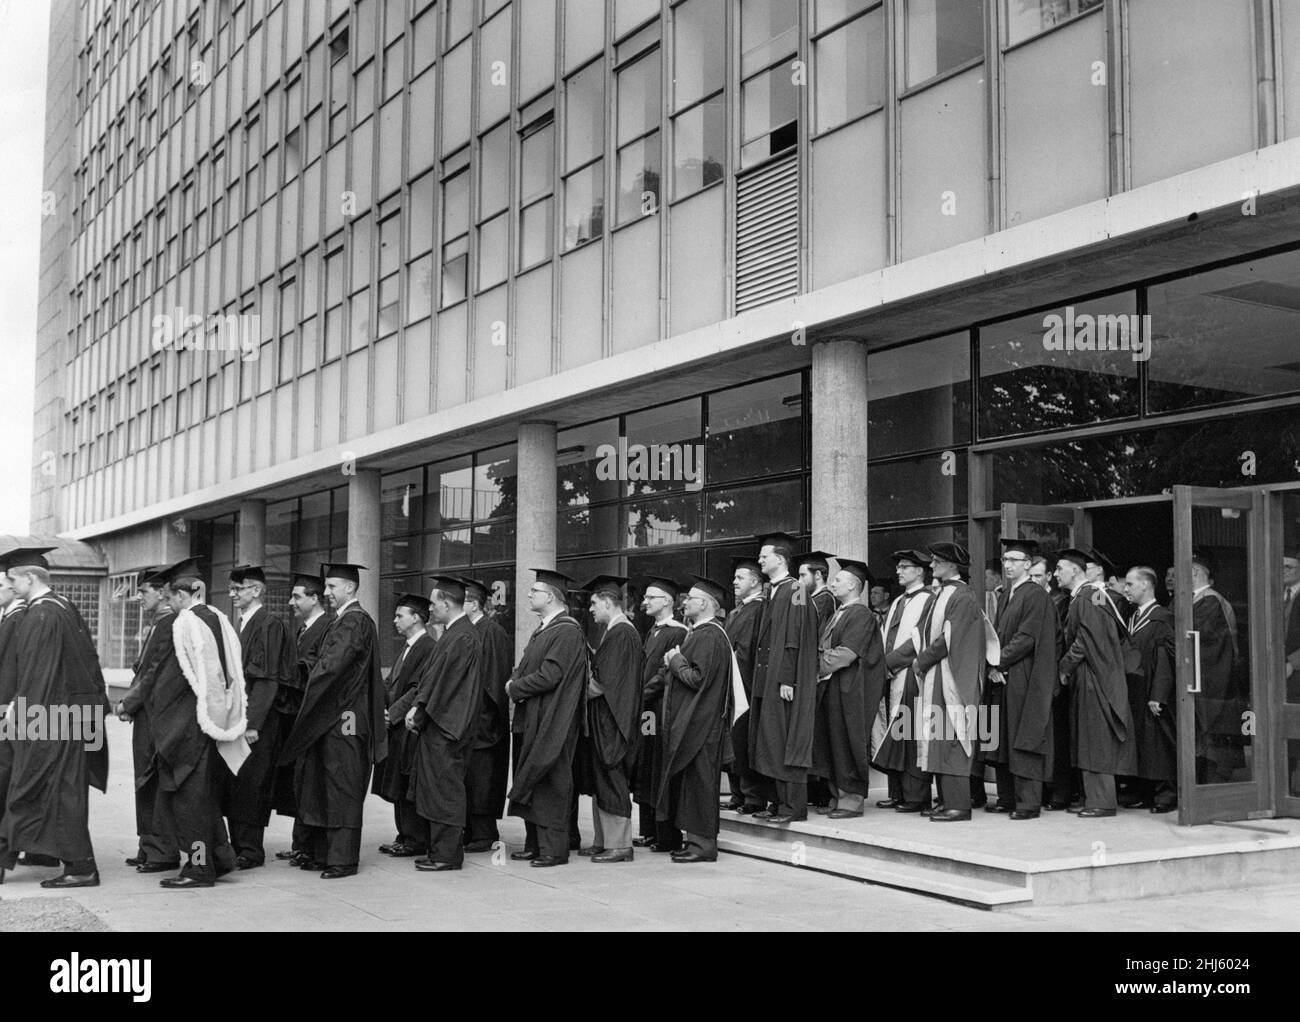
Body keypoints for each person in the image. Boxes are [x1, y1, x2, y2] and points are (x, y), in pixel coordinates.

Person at [0, 548, 111, 888]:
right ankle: (78, 864)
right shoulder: (62, 606)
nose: (10, 584)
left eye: (13, 578)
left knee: (29, 787)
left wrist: (26, 721)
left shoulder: (41, 616)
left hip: (52, 717)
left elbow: (38, 674)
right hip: (73, 715)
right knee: (65, 793)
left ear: (30, 578)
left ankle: (79, 867)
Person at [278, 563, 387, 879]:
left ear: (350, 589)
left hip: (344, 719)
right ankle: (324, 854)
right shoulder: (346, 621)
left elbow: (330, 669)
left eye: (332, 587)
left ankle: (342, 860)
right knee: (325, 784)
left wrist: (304, 691)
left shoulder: (354, 622)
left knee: (342, 787)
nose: (326, 593)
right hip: (335, 717)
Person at [148, 558, 249, 889]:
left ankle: (197, 869)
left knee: (189, 802)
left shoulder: (186, 624)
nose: (170, 602)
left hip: (189, 727)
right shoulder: (219, 618)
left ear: (184, 595)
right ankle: (219, 859)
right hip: (213, 721)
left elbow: (177, 682)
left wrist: (159, 720)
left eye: (172, 596)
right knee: (203, 799)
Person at [507, 569, 587, 868]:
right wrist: (516, 681)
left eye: (534, 591)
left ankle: (554, 849)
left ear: (550, 596)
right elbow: (526, 665)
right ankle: (536, 844)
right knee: (534, 782)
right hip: (534, 717)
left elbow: (551, 675)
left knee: (552, 783)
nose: (528, 595)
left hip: (554, 720)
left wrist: (515, 687)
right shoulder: (544, 629)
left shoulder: (567, 630)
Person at [406, 576, 482, 872]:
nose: (430, 608)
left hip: (448, 727)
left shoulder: (461, 636)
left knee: (445, 791)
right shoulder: (455, 633)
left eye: (433, 603)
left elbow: (445, 685)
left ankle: (447, 855)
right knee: (437, 789)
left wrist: (419, 712)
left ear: (448, 603)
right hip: (443, 725)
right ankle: (439, 850)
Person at [658, 576, 737, 863]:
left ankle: (703, 845)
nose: (685, 603)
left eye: (690, 598)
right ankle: (694, 841)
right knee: (693, 784)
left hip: (703, 726)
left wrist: (675, 660)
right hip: (697, 723)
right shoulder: (703, 633)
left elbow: (696, 678)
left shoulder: (709, 635)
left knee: (701, 785)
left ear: (704, 603)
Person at [1055, 548, 1136, 816]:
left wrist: (1064, 667)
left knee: (1095, 738)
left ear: (1075, 571)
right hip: (1093, 675)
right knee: (1089, 737)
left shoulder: (1089, 597)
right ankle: (1092, 797)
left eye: (1059, 569)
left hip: (1093, 677)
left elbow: (1086, 640)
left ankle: (1101, 801)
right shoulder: (1090, 596)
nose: (1056, 574)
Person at [222, 566, 293, 870]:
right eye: (232, 589)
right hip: (240, 719)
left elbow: (267, 679)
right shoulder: (241, 624)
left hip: (257, 723)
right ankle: (238, 845)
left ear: (257, 590)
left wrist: (252, 724)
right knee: (237, 782)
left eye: (239, 588)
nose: (233, 594)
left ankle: (250, 850)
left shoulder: (268, 624)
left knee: (252, 783)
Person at [911, 544, 986, 822]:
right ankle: (945, 800)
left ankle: (959, 805)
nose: (931, 567)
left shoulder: (962, 596)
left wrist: (923, 660)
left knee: (952, 737)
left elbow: (949, 638)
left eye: (936, 562)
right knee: (938, 738)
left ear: (952, 565)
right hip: (937, 674)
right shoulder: (943, 593)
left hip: (952, 676)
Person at [983, 539, 1058, 820]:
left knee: (1024, 736)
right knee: (1002, 736)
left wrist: (997, 662)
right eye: (1005, 560)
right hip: (1003, 676)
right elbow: (998, 635)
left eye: (1014, 560)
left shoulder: (1035, 595)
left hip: (1024, 676)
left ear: (1028, 564)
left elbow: (1026, 638)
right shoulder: (1006, 595)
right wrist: (994, 667)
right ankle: (1006, 797)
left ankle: (1027, 802)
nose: (1008, 565)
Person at [749, 532, 820, 825]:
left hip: (784, 678)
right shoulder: (772, 591)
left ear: (780, 559)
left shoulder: (797, 589)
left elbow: (797, 637)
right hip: (768, 677)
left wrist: (788, 678)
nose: (759, 560)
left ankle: (792, 807)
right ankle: (775, 802)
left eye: (764, 556)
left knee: (786, 738)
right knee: (769, 739)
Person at [115, 566, 179, 873]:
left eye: (144, 591)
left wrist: (128, 702)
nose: (139, 596)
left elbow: (153, 672)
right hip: (147, 712)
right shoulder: (158, 623)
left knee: (153, 780)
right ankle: (148, 845)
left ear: (163, 591)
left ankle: (162, 850)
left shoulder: (169, 624)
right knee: (144, 779)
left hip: (157, 715)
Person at [811, 557, 884, 819]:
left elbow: (847, 653)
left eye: (838, 579)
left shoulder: (860, 614)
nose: (833, 583)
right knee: (832, 743)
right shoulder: (839, 613)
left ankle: (851, 800)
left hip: (849, 690)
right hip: (833, 688)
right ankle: (837, 795)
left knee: (847, 742)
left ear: (853, 585)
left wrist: (813, 667)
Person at [580, 575, 643, 863]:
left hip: (613, 721)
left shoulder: (622, 633)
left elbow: (602, 683)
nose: (590, 609)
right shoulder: (615, 632)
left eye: (594, 603)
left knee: (612, 778)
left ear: (608, 602)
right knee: (602, 779)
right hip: (607, 719)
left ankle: (620, 844)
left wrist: (575, 692)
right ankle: (603, 840)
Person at [274, 572, 332, 864]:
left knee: (310, 782)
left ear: (314, 598)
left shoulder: (326, 628)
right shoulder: (303, 629)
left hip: (309, 717)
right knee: (300, 781)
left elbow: (314, 669)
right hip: (295, 716)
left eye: (297, 596)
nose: (291, 602)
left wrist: (282, 669)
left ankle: (308, 845)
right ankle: (302, 843)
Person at [373, 593, 437, 858]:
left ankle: (414, 839)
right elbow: (392, 682)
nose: (395, 620)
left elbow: (417, 687)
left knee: (407, 782)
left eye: (400, 615)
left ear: (416, 618)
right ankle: (403, 835)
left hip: (408, 727)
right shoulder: (408, 646)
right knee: (398, 783)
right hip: (395, 726)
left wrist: (394, 714)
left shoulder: (427, 647)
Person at [872, 550, 935, 811]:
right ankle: (896, 792)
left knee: (910, 734)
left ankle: (916, 796)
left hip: (911, 674)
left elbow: (919, 639)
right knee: (894, 733)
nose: (899, 571)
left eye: (905, 567)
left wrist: (890, 663)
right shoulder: (898, 601)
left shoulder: (930, 599)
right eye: (898, 567)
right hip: (891, 675)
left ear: (920, 571)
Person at [632, 577, 688, 851]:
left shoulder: (677, 632)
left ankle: (661, 831)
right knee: (646, 761)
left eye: (651, 597)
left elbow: (664, 672)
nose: (646, 601)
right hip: (647, 711)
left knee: (656, 761)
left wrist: (641, 695)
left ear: (667, 601)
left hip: (658, 706)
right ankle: (647, 829)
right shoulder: (653, 630)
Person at [458, 576, 513, 853]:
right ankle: (471, 829)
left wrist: (482, 719)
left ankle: (484, 832)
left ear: (474, 604)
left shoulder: (491, 632)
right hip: (469, 721)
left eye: (463, 601)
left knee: (482, 780)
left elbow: (494, 680)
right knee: (470, 778)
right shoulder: (468, 630)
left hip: (484, 723)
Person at [1121, 566, 1177, 813]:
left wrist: (1158, 694)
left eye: (1130, 584)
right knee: (1142, 743)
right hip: (1134, 691)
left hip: (1152, 692)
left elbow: (1166, 658)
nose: (1126, 589)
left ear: (1145, 585)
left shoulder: (1162, 617)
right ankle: (1143, 791)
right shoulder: (1133, 617)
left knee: (1158, 744)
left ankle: (1166, 793)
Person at [1190, 548, 1241, 785]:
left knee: (1213, 738)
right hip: (1212, 679)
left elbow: (1203, 642)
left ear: (1194, 572)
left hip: (1214, 681)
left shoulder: (1209, 601)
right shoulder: (1202, 600)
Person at [796, 551, 838, 814]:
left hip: (819, 676)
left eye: (803, 575)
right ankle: (814, 790)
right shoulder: (809, 597)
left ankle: (821, 792)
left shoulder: (824, 600)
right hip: (810, 674)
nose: (798, 580)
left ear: (819, 575)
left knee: (820, 736)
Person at [722, 556, 764, 814]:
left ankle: (753, 797)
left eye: (740, 578)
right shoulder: (738, 610)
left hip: (746, 684)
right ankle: (737, 793)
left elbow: (747, 650)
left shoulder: (758, 608)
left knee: (745, 739)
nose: (734, 582)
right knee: (732, 738)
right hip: (733, 684)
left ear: (755, 581)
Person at [1285, 551, 1300, 704]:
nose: (1283, 571)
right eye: (1281, 566)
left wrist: (1293, 663)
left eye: (1288, 567)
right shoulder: (1276, 595)